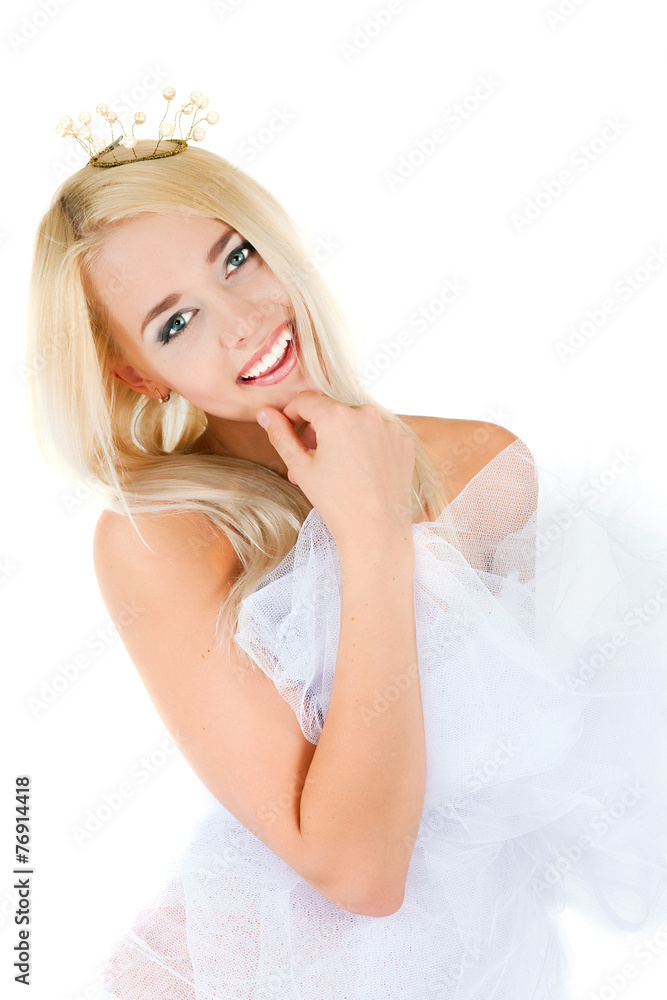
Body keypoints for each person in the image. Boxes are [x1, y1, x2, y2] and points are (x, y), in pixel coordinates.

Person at [27, 89, 667, 999]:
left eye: (236, 258)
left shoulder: (484, 466)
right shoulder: (163, 540)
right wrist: (369, 536)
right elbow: (360, 874)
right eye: (177, 322)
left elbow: (568, 781)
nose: (242, 320)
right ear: (137, 372)